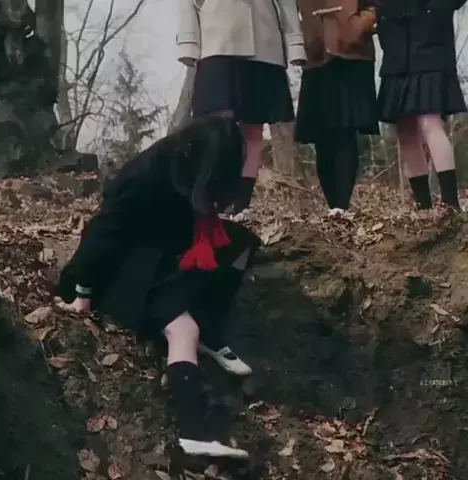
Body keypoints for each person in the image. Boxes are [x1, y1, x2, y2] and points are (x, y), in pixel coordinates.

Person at [57, 116, 260, 459]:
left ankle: (211, 331)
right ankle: (194, 433)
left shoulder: (186, 167)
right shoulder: (144, 176)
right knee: (183, 329)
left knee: (243, 244)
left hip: (164, 249)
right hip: (120, 269)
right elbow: (104, 234)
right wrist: (83, 293)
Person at [177, 0, 306, 215]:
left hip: (264, 42)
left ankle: (240, 206)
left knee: (254, 130)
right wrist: (188, 43)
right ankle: (212, 200)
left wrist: (295, 43)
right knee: (217, 130)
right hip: (217, 40)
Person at [376, 0, 467, 210]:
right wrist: (376, 13)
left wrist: (434, 9)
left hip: (429, 46)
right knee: (405, 131)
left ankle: (450, 203)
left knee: (429, 122)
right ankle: (423, 206)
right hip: (395, 46)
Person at [295, 0, 380, 216]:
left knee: (345, 130)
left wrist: (362, 21)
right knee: (321, 135)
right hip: (316, 55)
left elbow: (378, 5)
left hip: (351, 53)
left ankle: (342, 205)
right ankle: (333, 207)